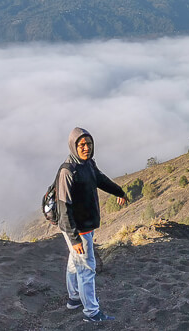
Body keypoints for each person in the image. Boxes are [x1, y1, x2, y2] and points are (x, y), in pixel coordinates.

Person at [56, 127, 129, 322]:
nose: (86, 148)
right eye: (82, 145)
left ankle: (74, 299)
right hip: (78, 229)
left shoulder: (87, 164)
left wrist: (119, 192)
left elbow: (101, 180)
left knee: (75, 262)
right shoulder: (68, 171)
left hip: (84, 226)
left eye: (89, 144)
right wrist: (74, 238)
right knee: (87, 269)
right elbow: (64, 208)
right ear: (73, 146)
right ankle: (92, 313)